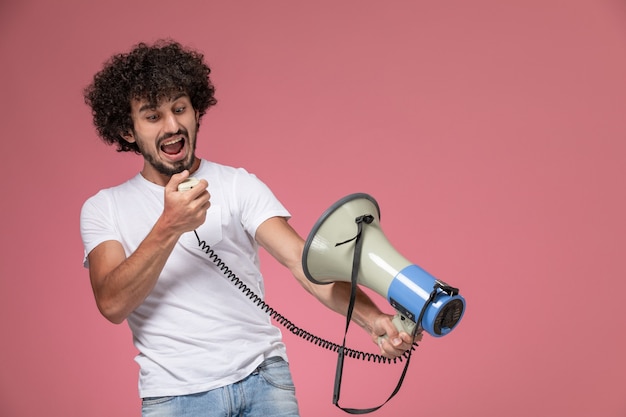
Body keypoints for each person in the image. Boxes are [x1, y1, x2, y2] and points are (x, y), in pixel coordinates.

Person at [80, 39, 417, 417]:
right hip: (176, 396)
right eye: (153, 116)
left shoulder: (239, 185)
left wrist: (375, 321)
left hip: (264, 383)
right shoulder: (103, 208)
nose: (172, 125)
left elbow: (304, 267)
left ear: (196, 111)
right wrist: (169, 226)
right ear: (128, 131)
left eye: (179, 108)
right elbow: (111, 304)